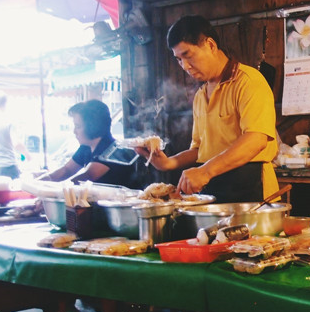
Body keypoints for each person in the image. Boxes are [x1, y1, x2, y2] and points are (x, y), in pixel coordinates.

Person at [136, 15, 278, 202]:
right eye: (179, 59)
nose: (185, 66)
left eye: (188, 55)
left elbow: (256, 139)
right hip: (213, 191)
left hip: (251, 190)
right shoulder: (200, 96)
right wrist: (168, 163)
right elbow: (200, 149)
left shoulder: (249, 82)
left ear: (210, 45)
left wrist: (206, 170)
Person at [40, 99, 134, 186]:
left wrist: (55, 190)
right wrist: (40, 181)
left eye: (78, 126)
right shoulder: (86, 148)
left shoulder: (112, 151)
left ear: (92, 127)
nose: (74, 131)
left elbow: (86, 178)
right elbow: (66, 170)